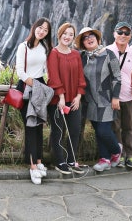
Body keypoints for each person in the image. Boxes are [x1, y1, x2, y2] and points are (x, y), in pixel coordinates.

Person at [78, 26, 122, 172]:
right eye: (85, 37)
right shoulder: (82, 57)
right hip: (90, 101)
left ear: (97, 39)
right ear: (82, 43)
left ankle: (116, 149)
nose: (89, 39)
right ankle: (105, 159)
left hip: (107, 99)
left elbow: (117, 77)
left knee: (104, 131)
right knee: (98, 131)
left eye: (91, 36)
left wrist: (116, 97)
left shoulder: (109, 54)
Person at [15, 17, 53, 185]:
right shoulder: (23, 47)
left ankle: (38, 161)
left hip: (40, 85)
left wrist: (46, 86)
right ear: (34, 27)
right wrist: (36, 85)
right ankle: (32, 167)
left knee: (39, 126)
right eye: (40, 27)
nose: (42, 31)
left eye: (45, 30)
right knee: (30, 126)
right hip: (27, 87)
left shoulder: (45, 48)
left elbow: (47, 70)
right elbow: (20, 72)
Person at [46, 22, 87, 175]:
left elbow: (80, 78)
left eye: (71, 34)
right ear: (60, 34)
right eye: (65, 33)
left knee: (75, 130)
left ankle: (71, 159)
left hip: (74, 99)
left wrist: (78, 96)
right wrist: (61, 98)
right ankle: (59, 161)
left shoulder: (76, 54)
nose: (68, 37)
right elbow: (54, 77)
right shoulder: (53, 53)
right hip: (58, 100)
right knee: (58, 131)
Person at [106, 21, 132, 169]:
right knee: (115, 127)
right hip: (112, 97)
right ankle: (118, 155)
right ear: (114, 34)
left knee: (128, 127)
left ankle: (129, 155)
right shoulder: (107, 51)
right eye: (120, 32)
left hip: (128, 96)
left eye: (126, 33)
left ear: (130, 36)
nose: (123, 35)